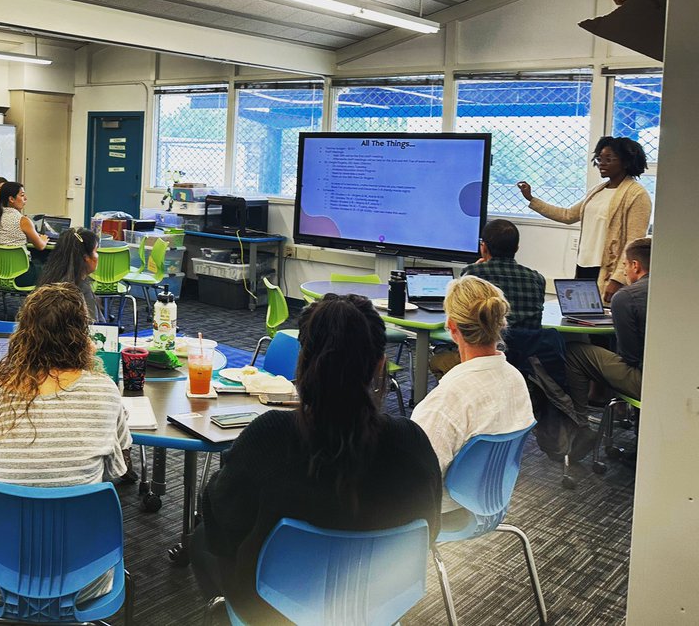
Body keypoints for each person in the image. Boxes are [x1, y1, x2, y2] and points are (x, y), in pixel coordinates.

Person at [192, 294, 441, 623]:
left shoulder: (268, 436)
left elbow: (221, 525)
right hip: (377, 604)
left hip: (271, 609)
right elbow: (430, 530)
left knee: (199, 539)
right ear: (380, 364)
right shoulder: (412, 441)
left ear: (303, 360)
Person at [0, 282, 131, 604]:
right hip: (84, 582)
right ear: (83, 336)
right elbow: (118, 470)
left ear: (22, 335)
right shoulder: (105, 390)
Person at [411, 276, 535, 511]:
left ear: (451, 326)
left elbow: (415, 483)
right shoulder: (516, 379)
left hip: (445, 512)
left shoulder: (445, 401)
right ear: (500, 323)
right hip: (494, 499)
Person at [519, 136, 651, 301]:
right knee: (581, 312)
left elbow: (634, 242)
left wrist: (618, 279)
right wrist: (531, 199)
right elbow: (567, 215)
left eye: (609, 159)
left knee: (604, 314)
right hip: (584, 265)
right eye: (599, 159)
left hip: (607, 271)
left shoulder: (636, 194)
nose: (602, 163)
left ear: (626, 162)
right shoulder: (597, 191)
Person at [431, 219, 546, 377]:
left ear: (483, 247)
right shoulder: (537, 279)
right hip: (527, 364)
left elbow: (461, 317)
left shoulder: (473, 275)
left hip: (481, 360)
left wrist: (473, 271)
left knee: (436, 361)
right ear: (517, 248)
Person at [566, 238, 650, 428]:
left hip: (648, 380)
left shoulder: (626, 296)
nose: (625, 271)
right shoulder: (677, 290)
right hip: (685, 378)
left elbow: (630, 356)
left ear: (635, 265)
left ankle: (579, 425)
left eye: (625, 265)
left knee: (574, 352)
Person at [37, 227, 99, 321]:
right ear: (86, 257)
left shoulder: (46, 284)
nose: (97, 256)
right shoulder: (81, 291)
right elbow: (93, 326)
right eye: (96, 251)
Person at [0, 181, 47, 251]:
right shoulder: (23, 220)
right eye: (22, 195)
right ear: (11, 199)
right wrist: (44, 239)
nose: (25, 198)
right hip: (19, 258)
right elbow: (40, 246)